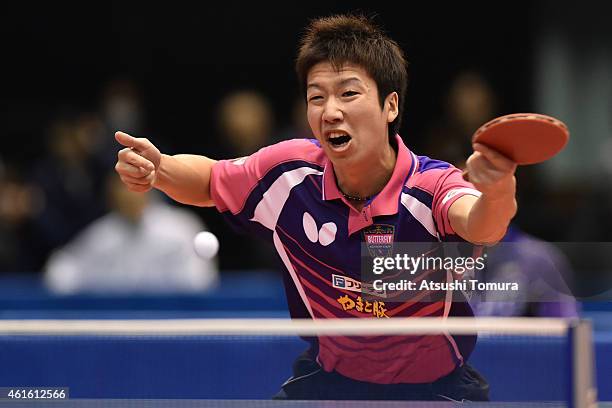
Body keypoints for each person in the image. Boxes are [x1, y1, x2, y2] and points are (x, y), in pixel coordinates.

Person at [114, 14, 517, 401]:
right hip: (329, 382)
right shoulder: (288, 175)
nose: (330, 112)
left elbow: (481, 224)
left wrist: (498, 189)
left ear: (390, 105)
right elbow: (208, 180)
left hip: (437, 390)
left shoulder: (430, 186)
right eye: (316, 97)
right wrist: (161, 168)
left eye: (349, 93)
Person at [44, 173, 218, 294]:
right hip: (115, 324)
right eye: (121, 186)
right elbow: (62, 271)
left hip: (171, 321)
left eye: (134, 183)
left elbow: (200, 282)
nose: (128, 193)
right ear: (110, 194)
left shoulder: (180, 229)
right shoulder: (100, 235)